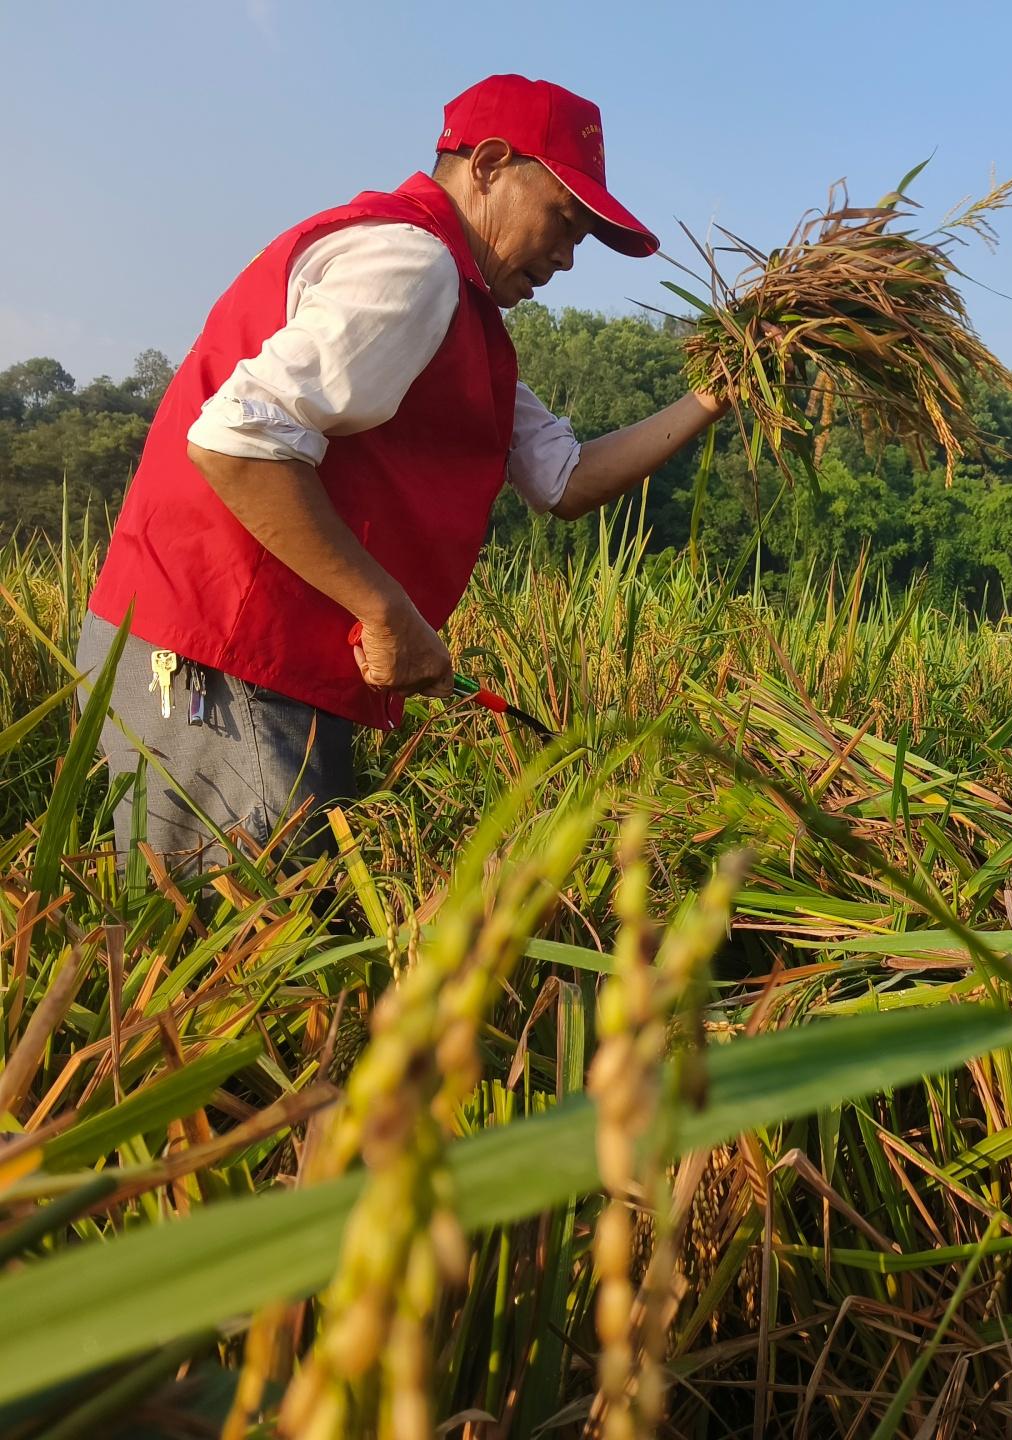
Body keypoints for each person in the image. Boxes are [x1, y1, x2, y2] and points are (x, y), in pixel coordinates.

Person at [75, 74, 730, 873]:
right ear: (488, 164)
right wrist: (386, 612)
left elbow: (565, 479)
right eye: (563, 220)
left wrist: (714, 394)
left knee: (262, 954)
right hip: (218, 661)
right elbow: (238, 441)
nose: (565, 258)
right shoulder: (411, 265)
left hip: (236, 662)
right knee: (247, 960)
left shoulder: (458, 307)